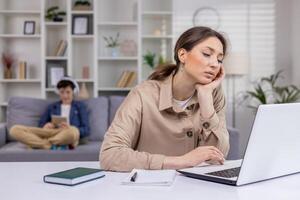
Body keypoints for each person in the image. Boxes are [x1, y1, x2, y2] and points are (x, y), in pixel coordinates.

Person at [100, 26, 230, 172]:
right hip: (148, 190)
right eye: (207, 54)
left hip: (194, 188)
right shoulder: (143, 94)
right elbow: (109, 155)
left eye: (219, 60)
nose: (214, 64)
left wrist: (206, 99)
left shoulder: (213, 94)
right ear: (182, 55)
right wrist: (180, 161)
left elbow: (217, 156)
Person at [9, 77, 90, 150]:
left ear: (73, 92)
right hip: (50, 133)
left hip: (67, 134)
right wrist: (46, 126)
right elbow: (40, 125)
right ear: (59, 93)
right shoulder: (52, 107)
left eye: (68, 92)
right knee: (15, 129)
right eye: (62, 92)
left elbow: (86, 130)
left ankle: (40, 144)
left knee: (73, 132)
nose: (65, 96)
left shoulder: (80, 107)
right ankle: (52, 145)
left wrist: (69, 127)